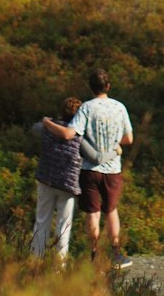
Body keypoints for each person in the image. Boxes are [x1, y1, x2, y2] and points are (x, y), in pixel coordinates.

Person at [42, 68, 133, 269]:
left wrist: (47, 123)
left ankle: (94, 254)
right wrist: (114, 146)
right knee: (111, 211)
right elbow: (129, 138)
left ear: (91, 88)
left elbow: (68, 134)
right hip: (113, 169)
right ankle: (116, 253)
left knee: (92, 213)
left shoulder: (86, 109)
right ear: (108, 86)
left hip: (89, 170)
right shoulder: (120, 107)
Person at [30, 96, 117, 261]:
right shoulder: (79, 137)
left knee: (41, 222)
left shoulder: (48, 128)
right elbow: (97, 158)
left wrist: (48, 122)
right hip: (68, 186)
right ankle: (59, 266)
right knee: (64, 226)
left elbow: (34, 128)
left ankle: (36, 261)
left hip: (46, 181)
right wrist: (115, 152)